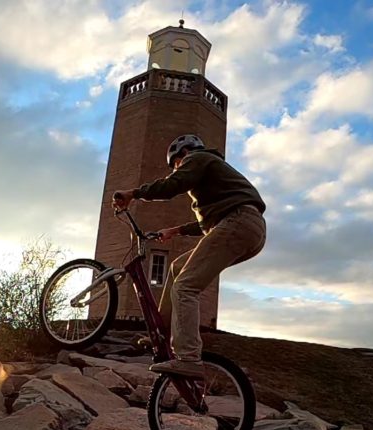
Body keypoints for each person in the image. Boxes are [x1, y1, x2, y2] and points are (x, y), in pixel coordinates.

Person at [112, 134, 266, 379]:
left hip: (239, 222)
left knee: (185, 287)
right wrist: (175, 230)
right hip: (247, 227)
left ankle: (188, 358)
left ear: (181, 155)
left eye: (175, 165)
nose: (177, 169)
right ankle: (161, 333)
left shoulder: (197, 158)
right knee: (177, 267)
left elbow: (173, 185)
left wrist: (134, 193)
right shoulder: (214, 172)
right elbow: (212, 223)